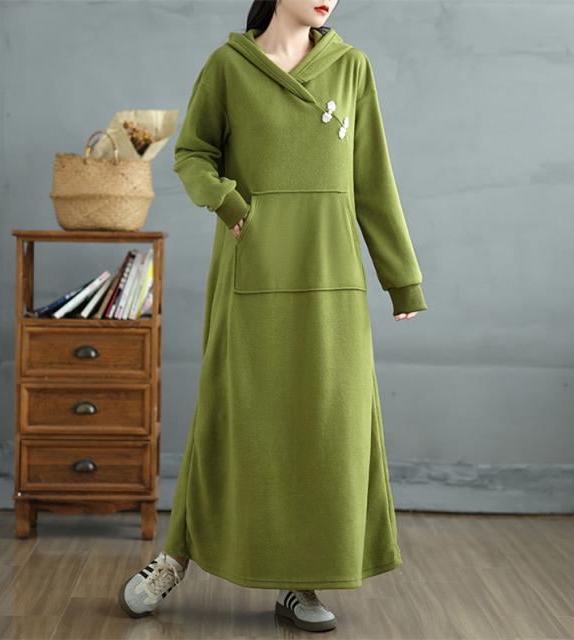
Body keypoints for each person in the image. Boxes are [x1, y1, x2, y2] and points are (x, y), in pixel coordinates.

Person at [119, 0, 428, 633]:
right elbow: (192, 153)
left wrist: (401, 278)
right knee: (231, 420)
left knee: (325, 429)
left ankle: (300, 581)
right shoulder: (228, 66)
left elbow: (373, 179)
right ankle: (175, 558)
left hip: (331, 282)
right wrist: (227, 201)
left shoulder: (352, 67)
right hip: (253, 271)